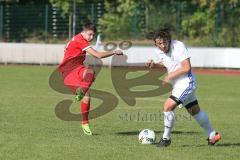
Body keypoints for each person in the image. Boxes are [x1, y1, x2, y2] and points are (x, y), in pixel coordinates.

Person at [147, 29, 221, 147]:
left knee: (167, 107)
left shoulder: (178, 46)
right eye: (159, 44)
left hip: (187, 82)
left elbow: (186, 68)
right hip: (178, 85)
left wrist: (169, 76)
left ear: (169, 40)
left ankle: (166, 139)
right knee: (194, 110)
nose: (163, 46)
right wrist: (155, 65)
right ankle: (213, 135)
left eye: (165, 42)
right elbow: (168, 64)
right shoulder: (159, 51)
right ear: (155, 44)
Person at [58, 23, 123, 135]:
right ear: (83, 32)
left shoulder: (77, 37)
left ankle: (84, 121)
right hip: (68, 72)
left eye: (93, 35)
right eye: (90, 34)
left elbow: (66, 46)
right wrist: (114, 52)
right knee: (87, 96)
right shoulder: (81, 40)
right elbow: (98, 55)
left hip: (78, 68)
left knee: (90, 73)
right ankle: (84, 120)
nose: (91, 37)